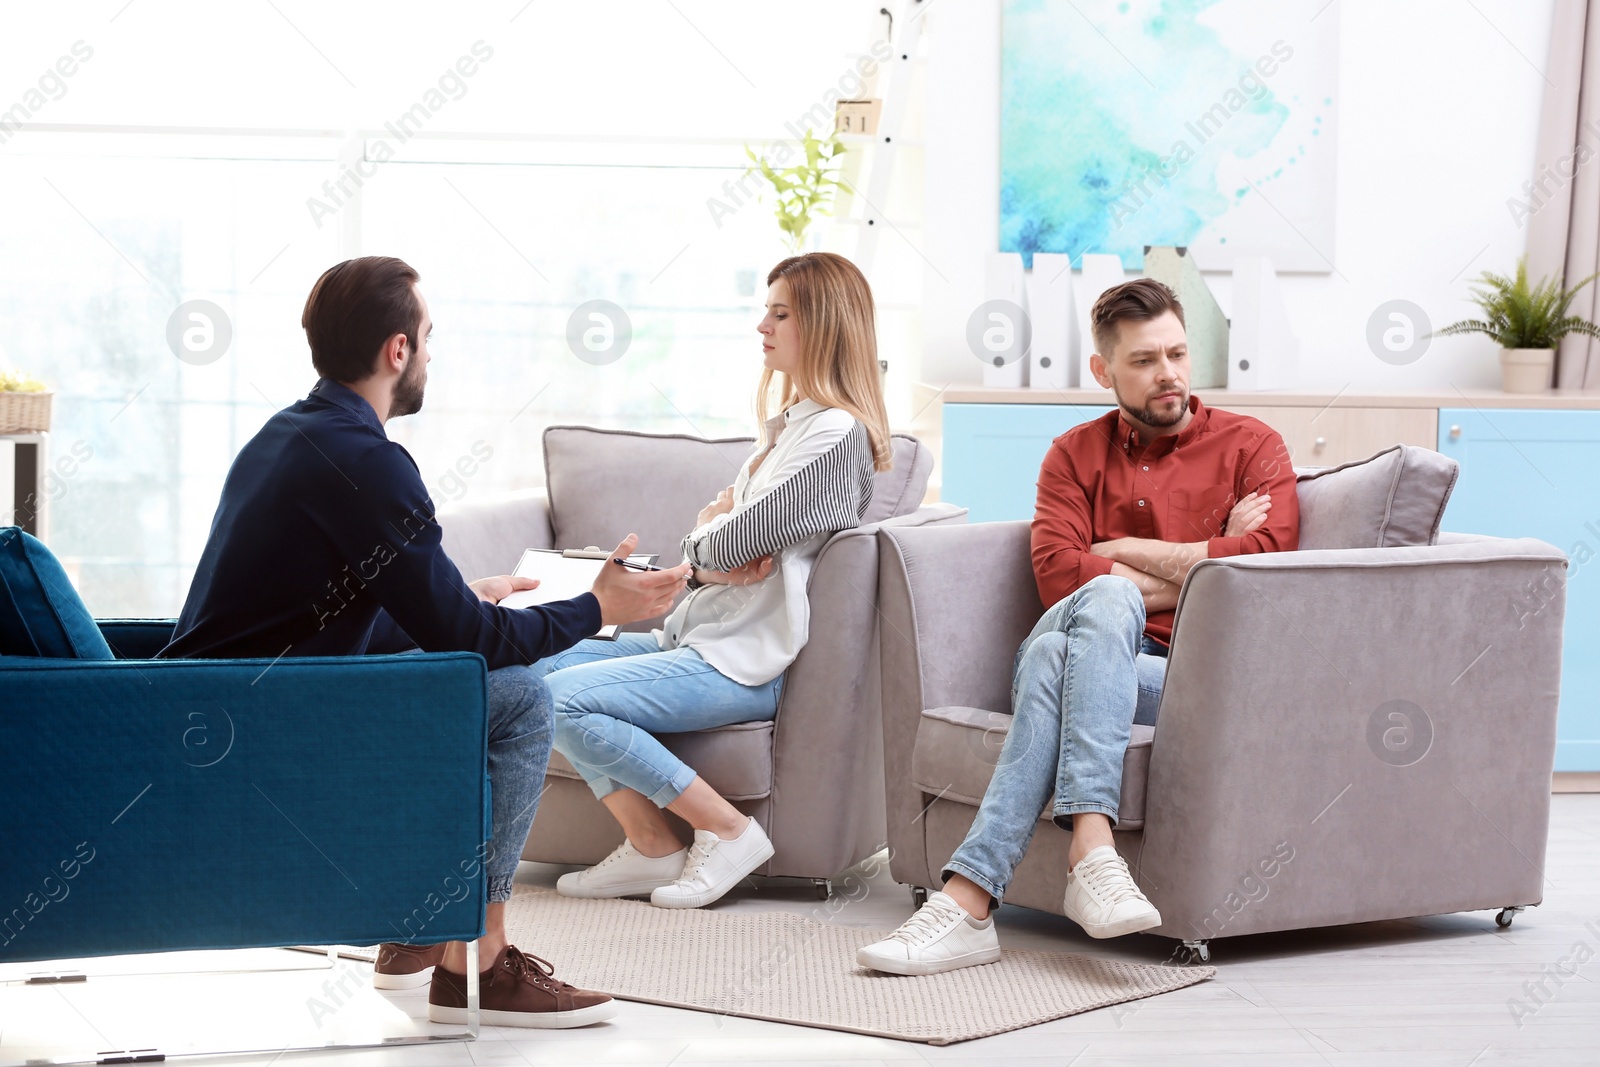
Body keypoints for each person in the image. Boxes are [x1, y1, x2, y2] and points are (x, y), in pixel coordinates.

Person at [159, 256, 690, 1027]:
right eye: (429, 338)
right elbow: (475, 641)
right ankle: (477, 956)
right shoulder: (369, 461)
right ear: (397, 350)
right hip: (261, 728)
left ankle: (416, 927)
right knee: (518, 697)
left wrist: (456, 598)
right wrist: (593, 604)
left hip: (223, 701)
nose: (431, 356)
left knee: (459, 673)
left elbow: (312, 611)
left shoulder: (289, 435)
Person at [857, 278, 1301, 975]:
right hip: (1096, 642)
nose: (1170, 374)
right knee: (1105, 606)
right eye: (1146, 360)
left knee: (1057, 659)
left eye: (1179, 354)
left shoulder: (1252, 446)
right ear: (1103, 371)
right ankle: (1091, 851)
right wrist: (1203, 556)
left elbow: (1265, 560)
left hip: (1182, 678)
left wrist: (1120, 551)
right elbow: (1061, 577)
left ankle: (970, 899)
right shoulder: (1073, 453)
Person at [528, 251, 891, 910]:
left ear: (825, 325)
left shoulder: (836, 436)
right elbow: (725, 539)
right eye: (766, 310)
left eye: (780, 313)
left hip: (743, 661)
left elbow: (733, 540)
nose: (762, 325)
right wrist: (712, 539)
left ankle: (726, 829)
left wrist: (703, 546)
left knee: (558, 699)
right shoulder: (791, 430)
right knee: (528, 665)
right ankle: (652, 847)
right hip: (699, 640)